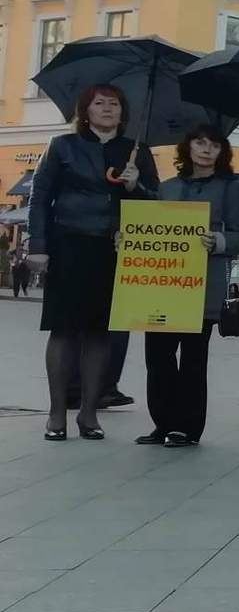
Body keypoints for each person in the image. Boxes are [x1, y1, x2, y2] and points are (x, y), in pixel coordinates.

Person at [27, 85, 157, 441]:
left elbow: (157, 203)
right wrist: (37, 245)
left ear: (122, 112)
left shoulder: (137, 152)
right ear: (85, 111)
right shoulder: (62, 146)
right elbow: (40, 197)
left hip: (114, 249)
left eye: (114, 104)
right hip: (68, 243)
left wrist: (137, 188)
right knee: (64, 329)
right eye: (99, 103)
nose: (107, 109)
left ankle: (88, 413)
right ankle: (57, 414)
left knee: (102, 331)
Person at [139, 125, 239, 447]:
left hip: (202, 286)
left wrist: (218, 241)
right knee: (158, 357)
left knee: (192, 359)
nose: (206, 149)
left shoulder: (232, 189)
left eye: (214, 145)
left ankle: (187, 427)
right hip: (163, 286)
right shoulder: (168, 187)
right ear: (188, 148)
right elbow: (151, 226)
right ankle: (162, 422)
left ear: (222, 152)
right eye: (200, 143)